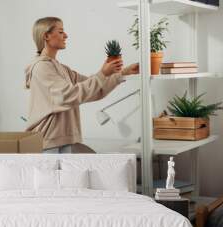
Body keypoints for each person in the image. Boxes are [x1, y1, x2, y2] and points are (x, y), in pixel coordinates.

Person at [25, 17, 139, 153]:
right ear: (46, 36)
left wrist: (123, 73)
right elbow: (68, 95)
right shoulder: (42, 67)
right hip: (49, 142)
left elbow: (95, 90)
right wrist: (102, 74)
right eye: (61, 32)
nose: (66, 35)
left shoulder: (62, 69)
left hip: (61, 140)